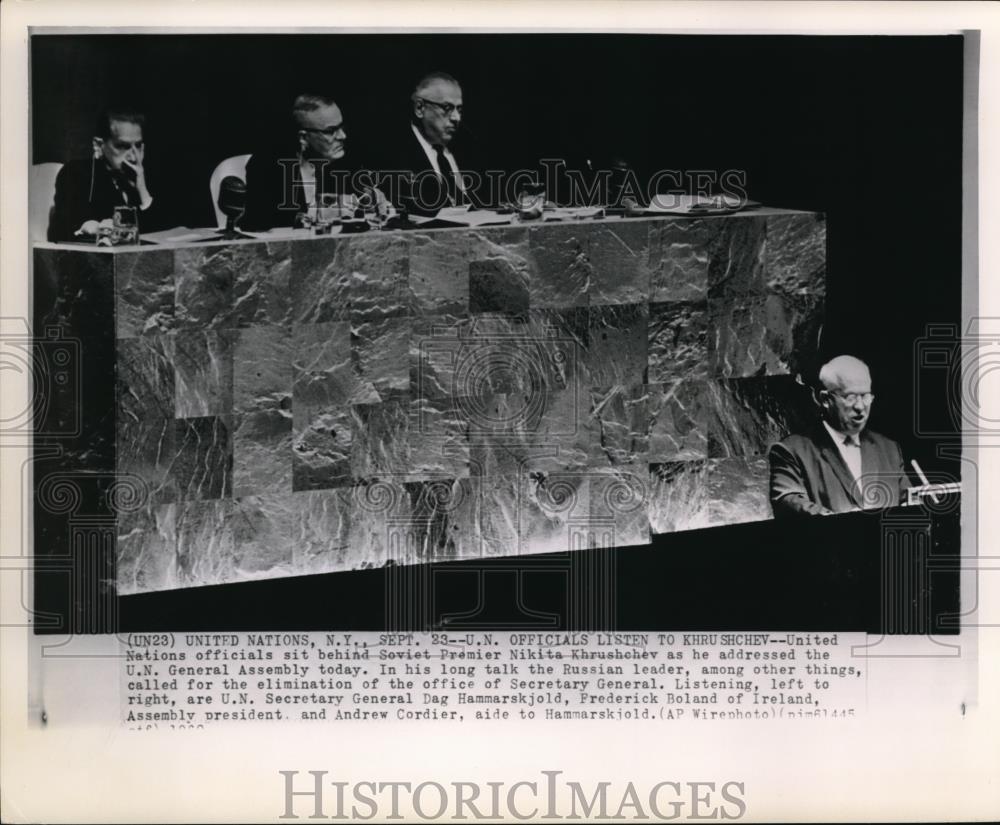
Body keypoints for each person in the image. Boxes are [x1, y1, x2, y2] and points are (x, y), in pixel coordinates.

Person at [768, 355, 911, 518]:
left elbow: (907, 502)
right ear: (825, 400)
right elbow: (788, 501)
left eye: (865, 396)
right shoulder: (792, 451)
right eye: (850, 397)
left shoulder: (888, 449)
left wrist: (924, 499)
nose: (860, 407)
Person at [243, 92, 372, 230]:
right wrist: (316, 215)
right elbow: (256, 223)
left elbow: (368, 210)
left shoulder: (346, 163)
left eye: (341, 127)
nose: (342, 136)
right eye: (331, 131)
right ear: (303, 138)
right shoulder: (267, 165)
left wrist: (372, 200)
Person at [49, 109, 169, 242]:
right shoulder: (77, 172)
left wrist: (142, 191)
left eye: (138, 145)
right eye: (123, 146)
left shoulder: (142, 176)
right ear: (99, 145)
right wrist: (97, 227)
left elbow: (162, 235)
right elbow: (70, 225)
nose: (134, 157)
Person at [376, 72, 476, 215]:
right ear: (420, 108)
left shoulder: (470, 148)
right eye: (447, 108)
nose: (456, 118)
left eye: (459, 109)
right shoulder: (393, 156)